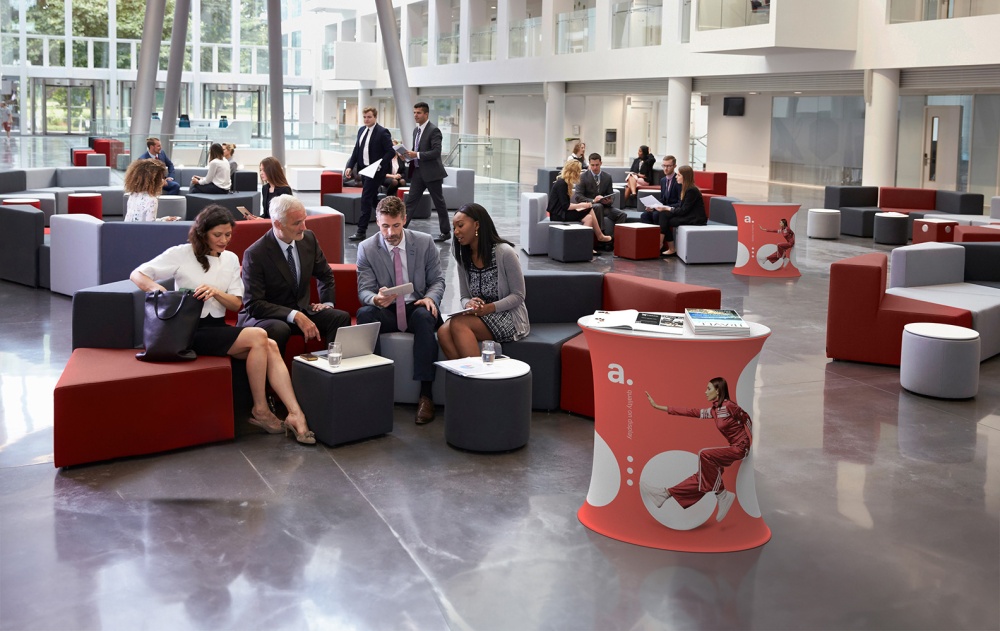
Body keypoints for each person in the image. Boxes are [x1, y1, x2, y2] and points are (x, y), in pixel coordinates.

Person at [129, 205, 316, 444]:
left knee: (268, 344)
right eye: (217, 235)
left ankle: (295, 414)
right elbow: (137, 274)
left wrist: (216, 292)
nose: (224, 240)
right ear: (202, 233)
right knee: (260, 336)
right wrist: (165, 294)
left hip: (216, 328)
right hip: (189, 330)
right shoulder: (181, 253)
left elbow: (236, 304)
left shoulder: (230, 259)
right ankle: (261, 410)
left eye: (228, 234)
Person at [355, 196, 445, 425]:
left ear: (404, 220)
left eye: (396, 225)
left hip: (416, 305)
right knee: (365, 314)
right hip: (388, 309)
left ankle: (426, 395)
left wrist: (430, 298)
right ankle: (374, 388)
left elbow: (437, 280)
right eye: (385, 226)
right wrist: (375, 299)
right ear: (377, 222)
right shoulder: (367, 248)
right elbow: (364, 290)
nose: (390, 233)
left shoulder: (424, 242)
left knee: (425, 317)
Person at [237, 194, 351, 356]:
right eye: (297, 223)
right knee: (279, 329)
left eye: (304, 220)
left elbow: (325, 274)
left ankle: (332, 368)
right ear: (278, 224)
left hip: (301, 309)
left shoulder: (308, 239)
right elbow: (254, 304)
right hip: (266, 317)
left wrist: (326, 303)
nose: (303, 227)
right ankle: (274, 373)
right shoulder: (255, 254)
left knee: (340, 318)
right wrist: (294, 315)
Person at [641, 377, 751, 523]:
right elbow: (691, 412)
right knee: (702, 477)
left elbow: (747, 419)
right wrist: (658, 407)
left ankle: (722, 494)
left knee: (705, 454)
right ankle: (665, 494)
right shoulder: (715, 411)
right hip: (733, 447)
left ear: (718, 391)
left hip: (742, 447)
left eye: (709, 389)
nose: (705, 392)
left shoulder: (729, 406)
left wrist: (754, 443)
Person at [438, 203, 529, 361]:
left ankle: (478, 374)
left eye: (460, 225)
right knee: (443, 331)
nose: (456, 232)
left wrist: (488, 308)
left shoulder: (504, 252)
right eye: (454, 227)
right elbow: (464, 296)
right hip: (480, 315)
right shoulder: (463, 258)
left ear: (477, 225)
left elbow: (518, 295)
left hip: (509, 316)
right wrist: (469, 303)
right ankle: (465, 373)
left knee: (459, 323)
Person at [403, 102, 450, 242]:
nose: (415, 115)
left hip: (432, 173)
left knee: (439, 203)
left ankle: (446, 232)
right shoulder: (416, 131)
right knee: (410, 202)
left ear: (426, 114)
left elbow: (436, 152)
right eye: (414, 112)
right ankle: (401, 228)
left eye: (418, 113)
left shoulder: (434, 131)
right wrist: (407, 156)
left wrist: (416, 154)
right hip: (418, 172)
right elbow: (416, 150)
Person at [345, 107, 394, 242]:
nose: (366, 119)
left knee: (365, 198)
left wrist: (379, 164)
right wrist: (350, 166)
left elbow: (390, 152)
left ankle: (361, 231)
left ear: (375, 117)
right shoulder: (361, 130)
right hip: (364, 170)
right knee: (372, 200)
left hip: (376, 171)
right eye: (365, 117)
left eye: (369, 117)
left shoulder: (382, 132)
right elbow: (356, 150)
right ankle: (390, 215)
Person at [548, 160, 612, 249]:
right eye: (578, 171)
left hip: (561, 212)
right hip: (558, 215)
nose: (580, 174)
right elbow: (566, 206)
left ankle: (585, 246)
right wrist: (581, 205)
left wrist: (581, 206)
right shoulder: (562, 183)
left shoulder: (565, 182)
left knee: (589, 217)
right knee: (589, 209)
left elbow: (565, 204)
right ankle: (599, 236)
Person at [573, 152, 627, 241]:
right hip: (589, 207)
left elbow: (610, 194)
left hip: (604, 206)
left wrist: (609, 201)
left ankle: (613, 240)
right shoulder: (583, 177)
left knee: (622, 215)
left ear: (601, 163)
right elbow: (578, 197)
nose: (595, 167)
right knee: (598, 206)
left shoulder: (607, 177)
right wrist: (593, 200)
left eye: (597, 165)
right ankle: (601, 235)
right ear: (589, 164)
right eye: (592, 165)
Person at [656, 164, 707, 257]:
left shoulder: (692, 190)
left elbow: (683, 210)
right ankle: (666, 246)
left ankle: (662, 244)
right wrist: (665, 209)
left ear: (685, 177)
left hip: (695, 218)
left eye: (679, 175)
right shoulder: (685, 188)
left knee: (667, 219)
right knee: (663, 215)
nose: (676, 177)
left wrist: (667, 208)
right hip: (688, 214)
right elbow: (681, 207)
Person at [123, 158, 178, 222]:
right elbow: (150, 226)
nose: (163, 181)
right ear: (154, 180)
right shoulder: (152, 200)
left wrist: (163, 220)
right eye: (161, 178)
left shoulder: (133, 195)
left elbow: (139, 221)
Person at [639, 155, 680, 227]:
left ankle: (659, 233)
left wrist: (664, 207)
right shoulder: (663, 180)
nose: (665, 169)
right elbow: (663, 199)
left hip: (672, 209)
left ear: (674, 166)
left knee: (656, 215)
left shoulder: (678, 181)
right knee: (644, 215)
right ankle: (649, 233)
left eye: (668, 166)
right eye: (664, 166)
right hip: (663, 208)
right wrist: (653, 206)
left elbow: (679, 202)